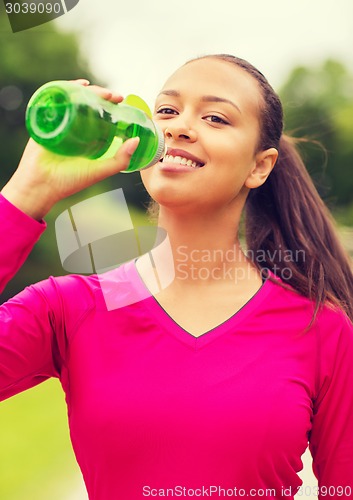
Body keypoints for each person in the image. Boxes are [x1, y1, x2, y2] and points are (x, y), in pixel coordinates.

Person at [1, 54, 353, 500]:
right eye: (166, 110)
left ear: (259, 166)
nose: (178, 126)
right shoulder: (69, 308)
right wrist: (28, 191)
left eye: (214, 117)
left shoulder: (319, 327)